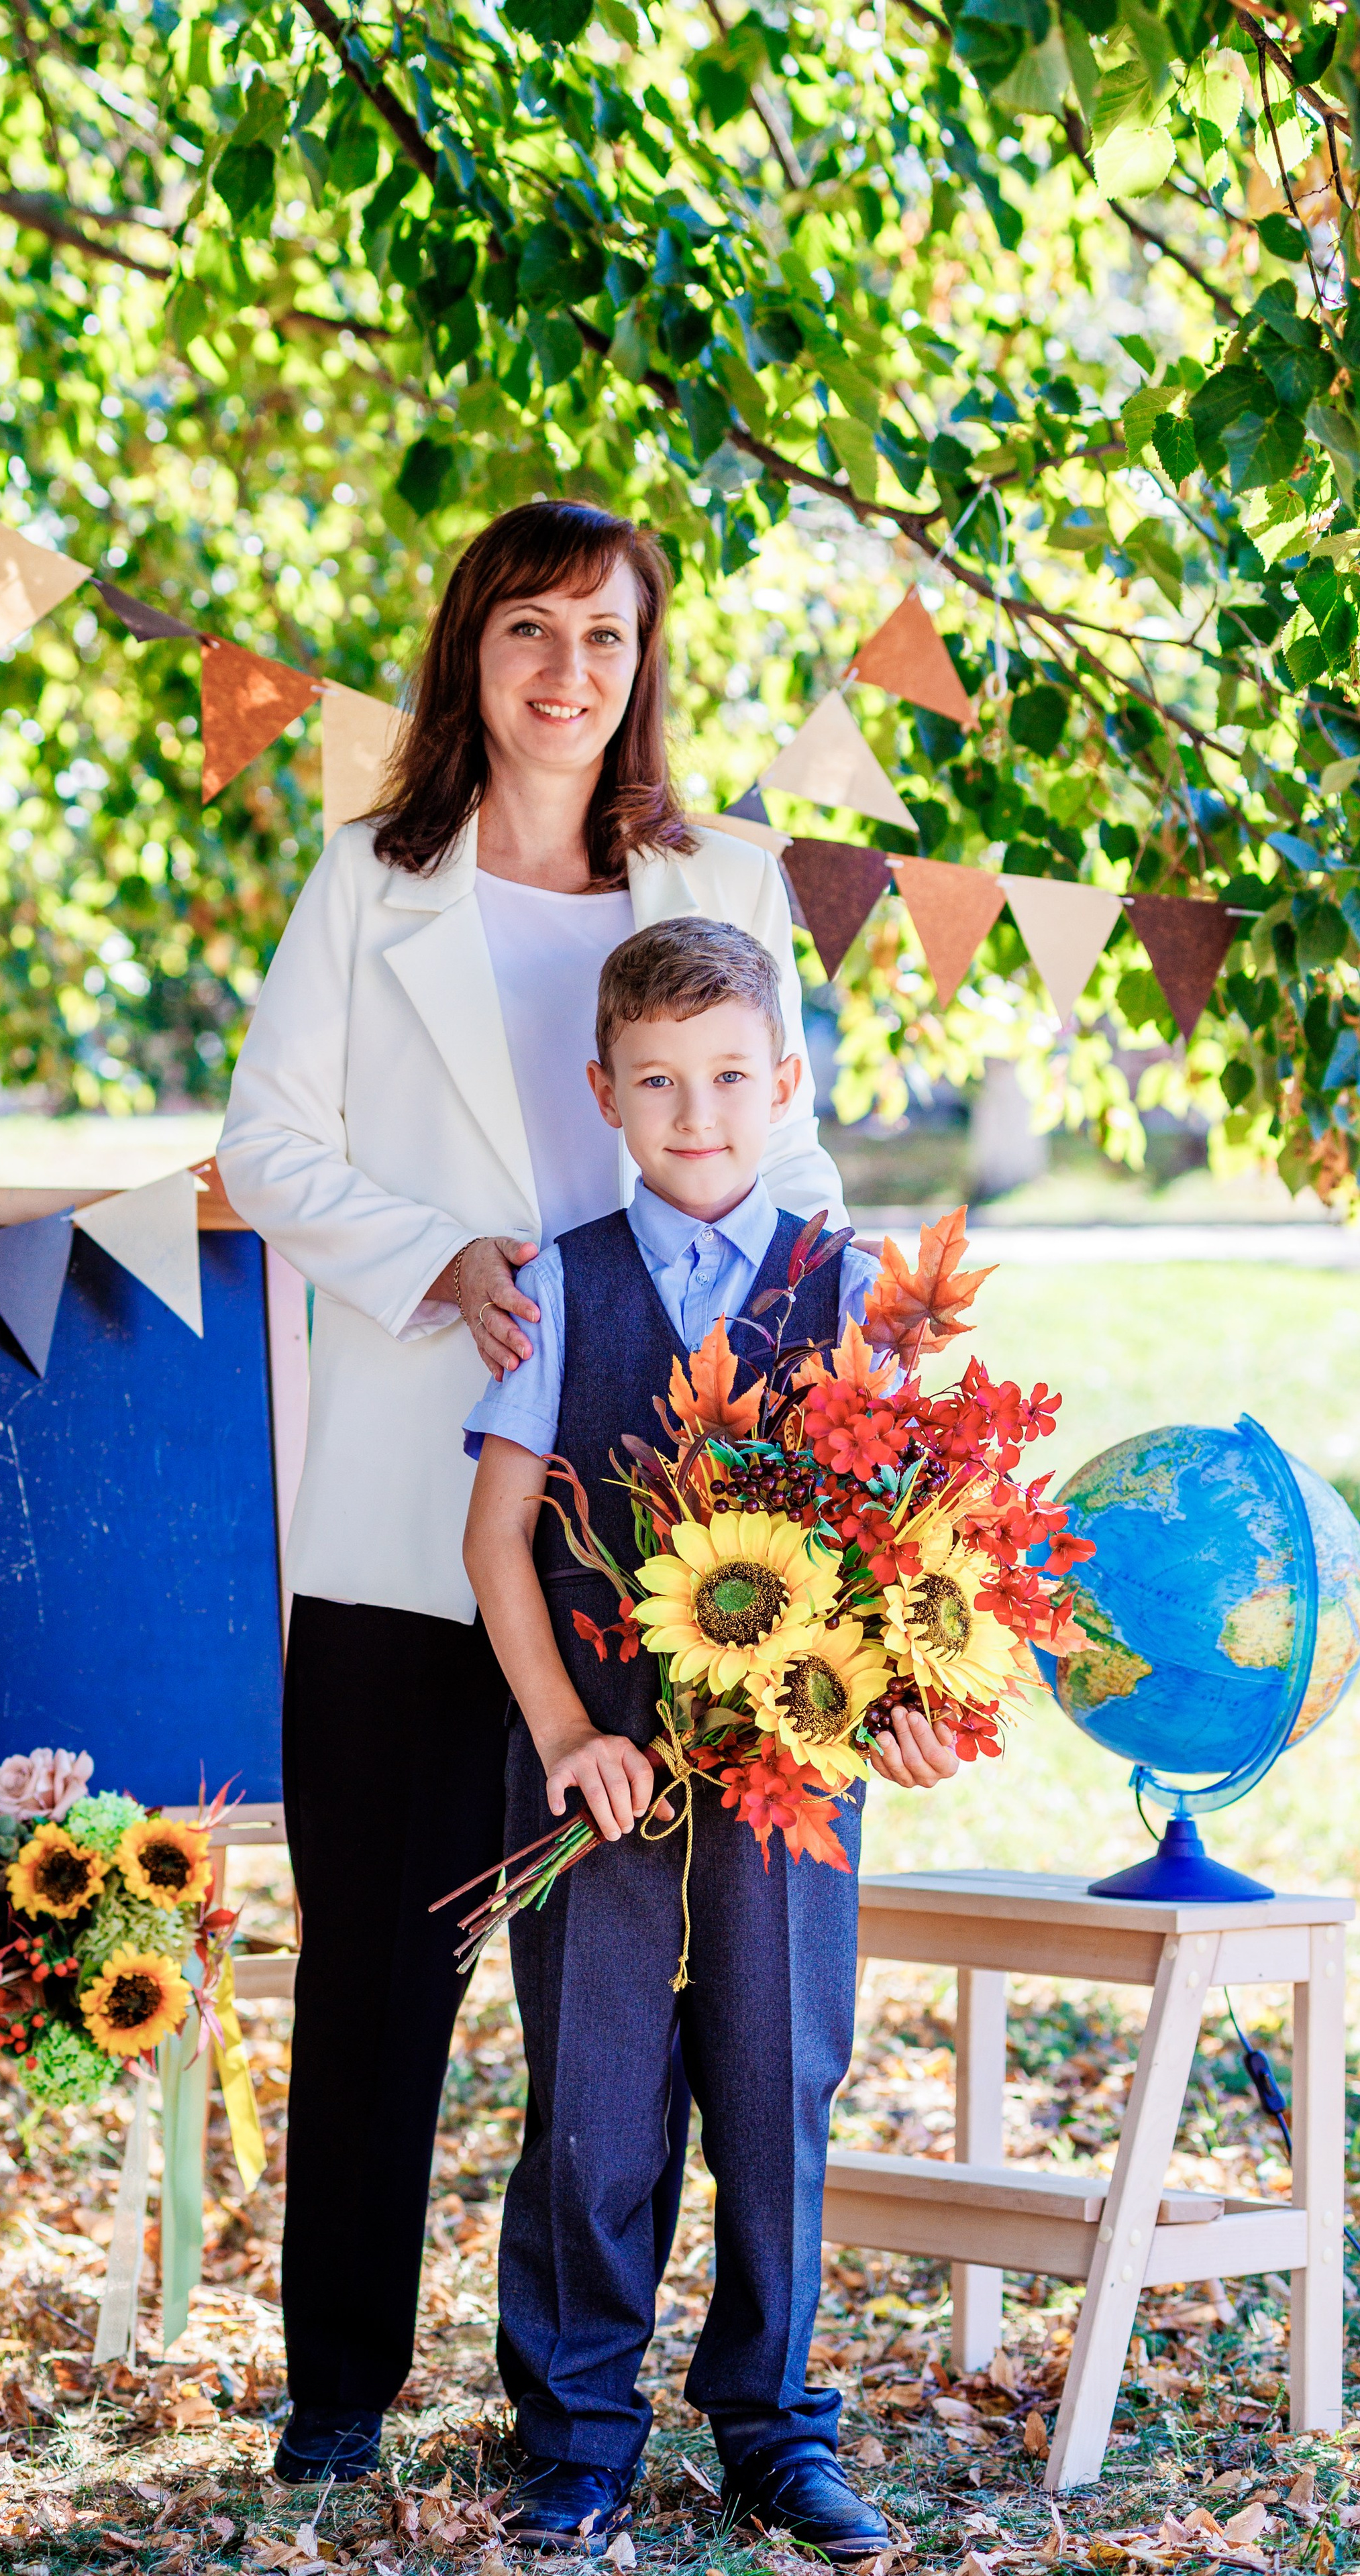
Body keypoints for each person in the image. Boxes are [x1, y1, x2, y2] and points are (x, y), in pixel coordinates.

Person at [217, 499, 851, 2484]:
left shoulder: (721, 868)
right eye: (527, 632)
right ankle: (341, 2400)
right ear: (466, 656)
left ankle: (670, 2398)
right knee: (382, 1976)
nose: (569, 671)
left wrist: (832, 1454)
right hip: (426, 1500)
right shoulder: (369, 881)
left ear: (645, 657)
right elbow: (267, 1146)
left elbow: (795, 1171)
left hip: (682, 1550)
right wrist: (445, 1258)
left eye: (606, 633)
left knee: (690, 2009)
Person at [462, 919, 961, 2559]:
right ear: (604, 1092)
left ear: (788, 1084)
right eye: (659, 1083)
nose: (696, 1114)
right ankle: (577, 2436)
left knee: (774, 2083)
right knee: (595, 2096)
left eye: (730, 1078)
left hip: (785, 1777)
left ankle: (768, 2424)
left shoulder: (855, 1293)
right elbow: (494, 1540)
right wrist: (558, 1735)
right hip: (593, 1771)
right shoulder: (557, 1282)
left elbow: (909, 1535)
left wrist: (892, 1708)